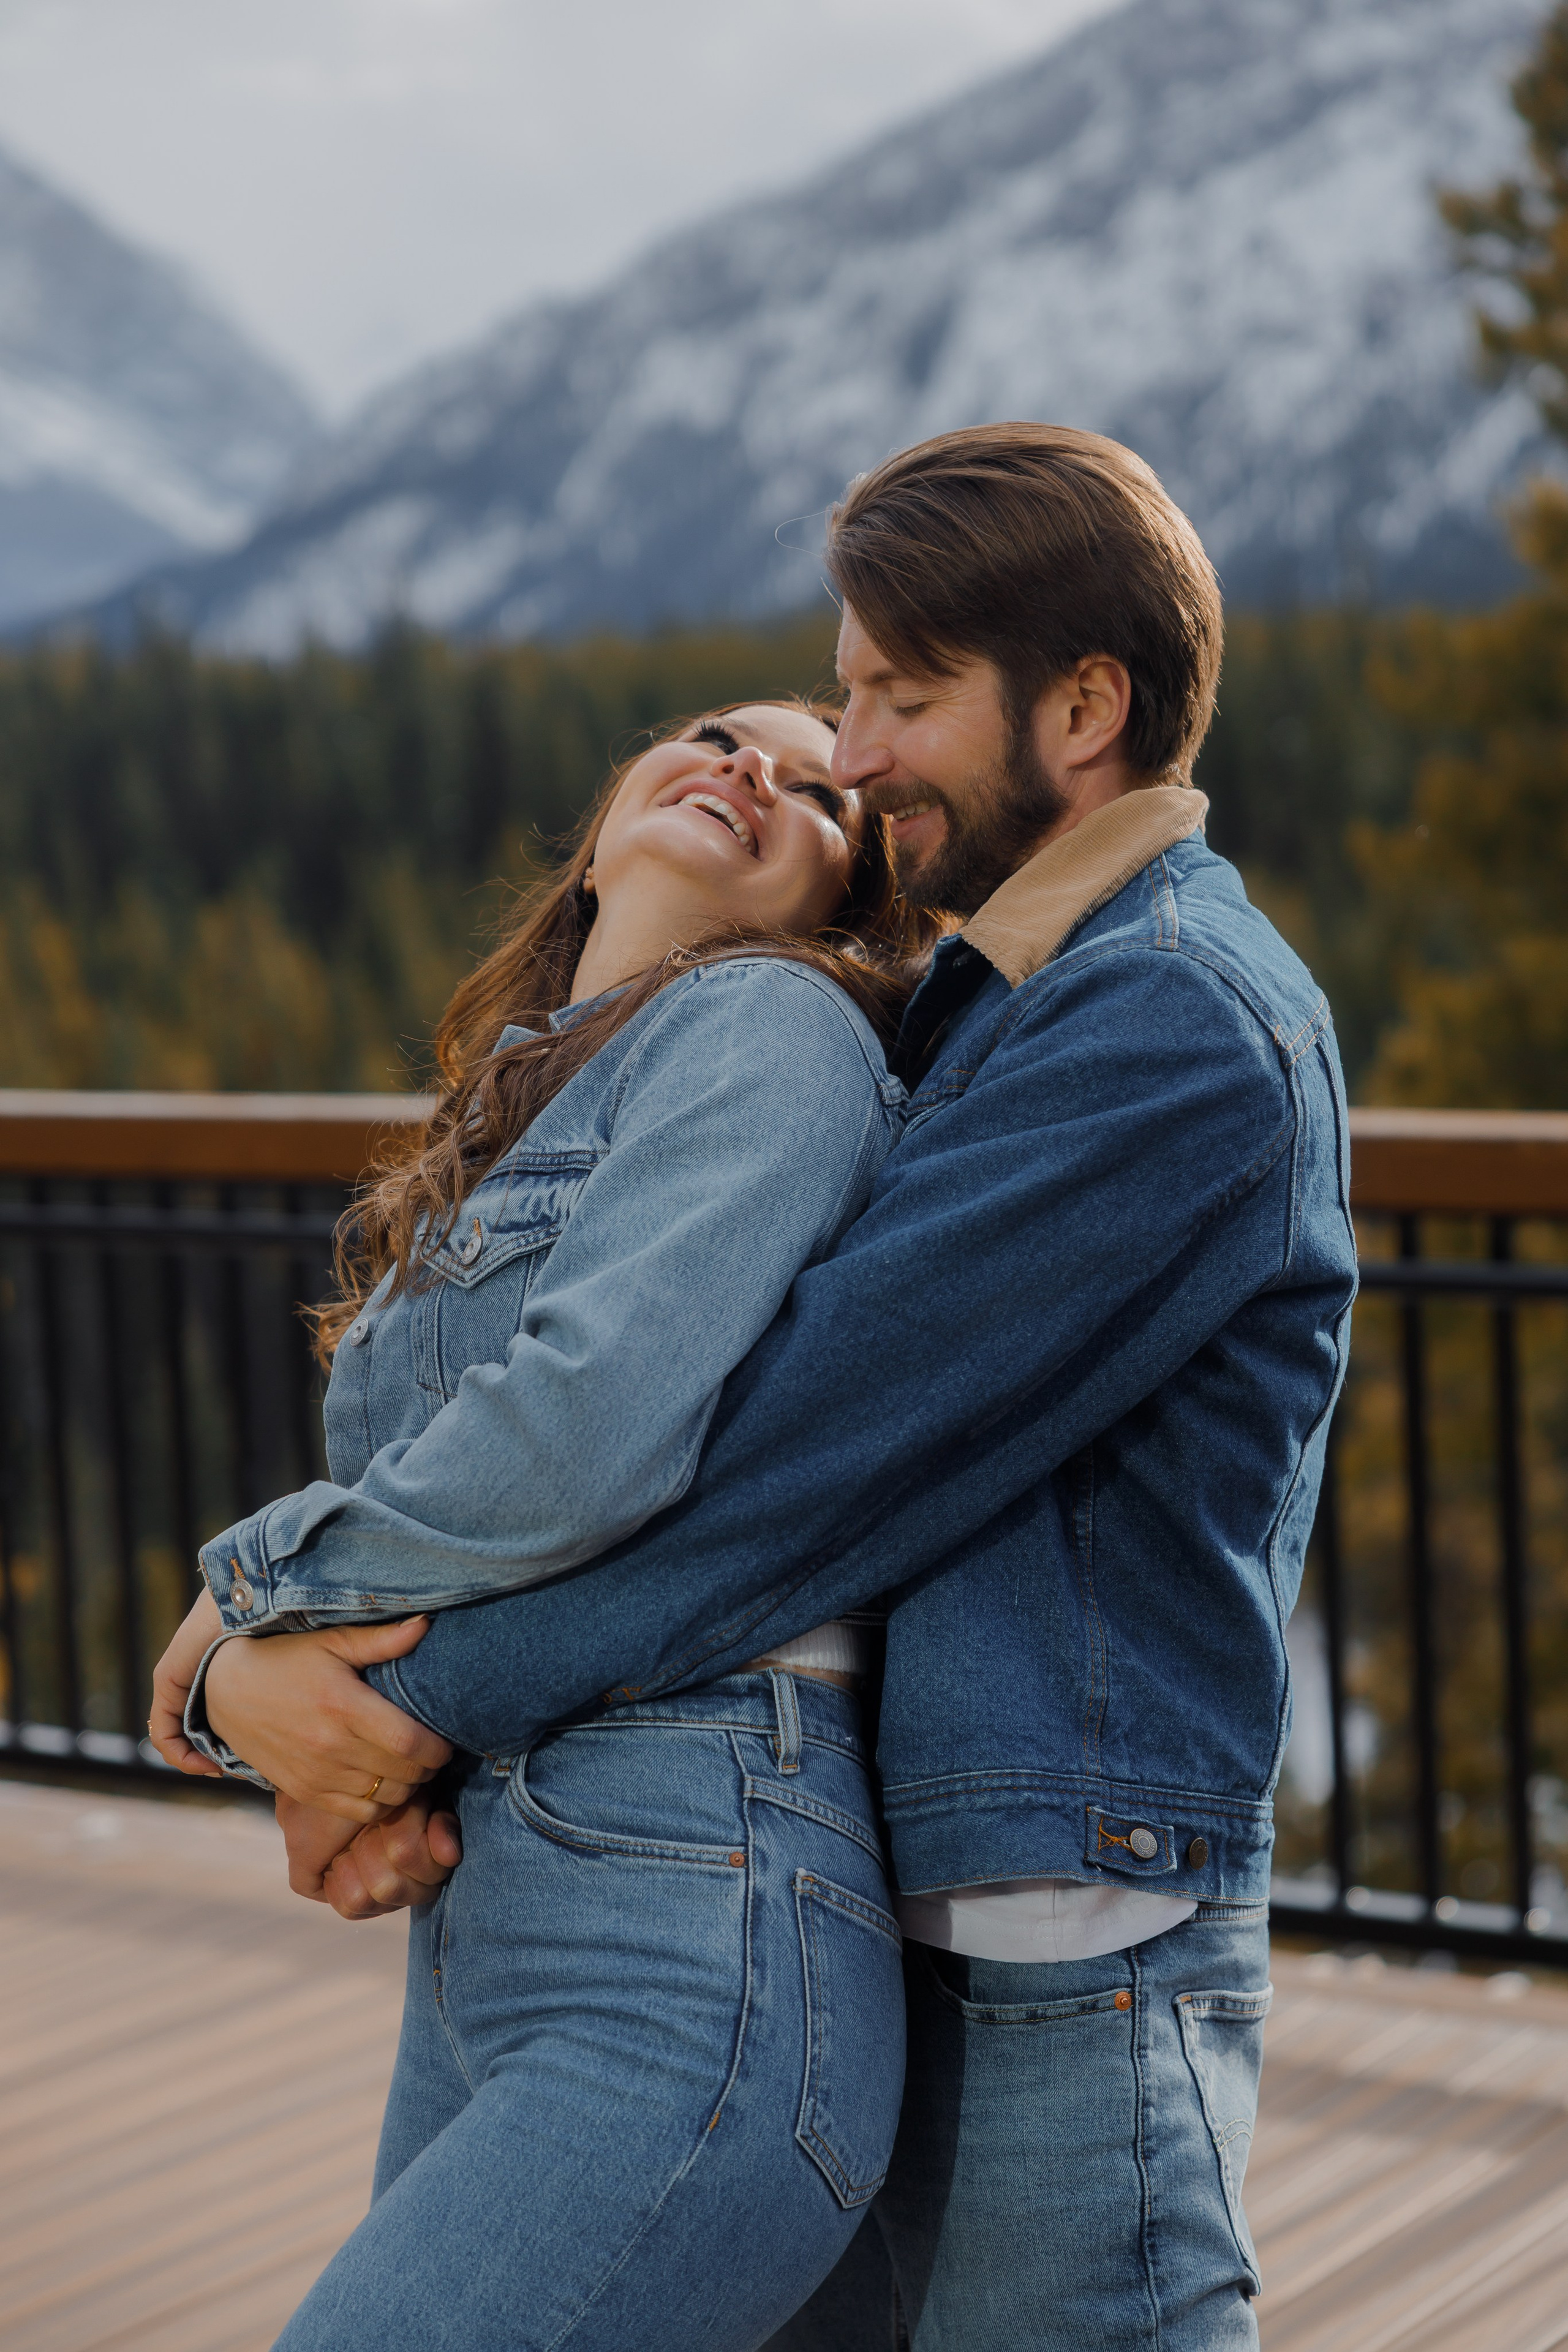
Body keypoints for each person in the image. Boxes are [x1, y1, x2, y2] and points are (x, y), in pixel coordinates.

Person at [168, 423, 1359, 2350]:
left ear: (1083, 706)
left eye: (897, 699)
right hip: (896, 1895)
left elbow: (789, 1470)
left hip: (1059, 1930)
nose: (855, 751)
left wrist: (356, 1700)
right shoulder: (1005, 998)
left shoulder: (1171, 1025)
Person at [151, 695, 943, 2350]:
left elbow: (585, 1428)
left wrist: (250, 1605)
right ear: (598, 833)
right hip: (496, 1911)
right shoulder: (525, 1109)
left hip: (684, 1919)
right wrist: (342, 1740)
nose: (753, 771)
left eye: (815, 796)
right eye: (721, 735)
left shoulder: (775, 1032)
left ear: (834, 913)